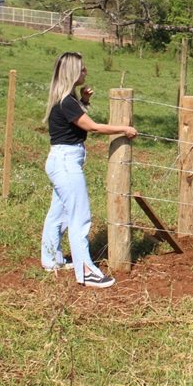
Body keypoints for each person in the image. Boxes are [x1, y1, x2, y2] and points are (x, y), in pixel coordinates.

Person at [40, 52, 138, 289]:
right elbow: (92, 127)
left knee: (60, 212)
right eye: (82, 69)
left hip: (60, 160)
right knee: (79, 216)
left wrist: (83, 101)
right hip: (66, 163)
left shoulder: (66, 100)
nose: (86, 72)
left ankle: (51, 259)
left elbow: (74, 120)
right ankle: (86, 270)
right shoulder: (67, 102)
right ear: (73, 73)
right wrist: (124, 128)